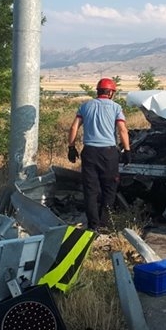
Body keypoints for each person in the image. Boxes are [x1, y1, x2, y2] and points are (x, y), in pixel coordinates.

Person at [67, 77, 131, 231]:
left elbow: (74, 127)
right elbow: (122, 130)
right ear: (110, 93)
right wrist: (127, 150)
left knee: (90, 190)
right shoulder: (116, 108)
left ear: (98, 91)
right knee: (109, 189)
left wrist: (71, 147)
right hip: (108, 153)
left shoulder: (85, 106)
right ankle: (104, 224)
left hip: (89, 152)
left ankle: (93, 226)